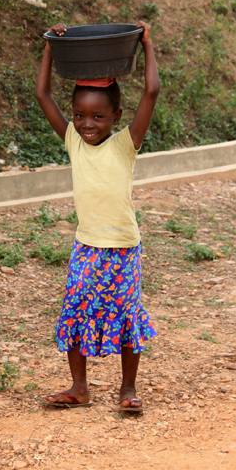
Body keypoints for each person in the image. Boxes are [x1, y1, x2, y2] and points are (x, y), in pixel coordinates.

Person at [35, 21, 160, 411]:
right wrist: (51, 47)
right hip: (87, 246)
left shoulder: (126, 144)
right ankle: (79, 388)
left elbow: (152, 91)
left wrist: (148, 44)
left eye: (98, 117)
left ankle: (128, 390)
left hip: (123, 248)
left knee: (126, 315)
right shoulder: (73, 141)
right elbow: (42, 94)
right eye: (80, 115)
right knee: (75, 310)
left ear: (116, 115)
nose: (87, 124)